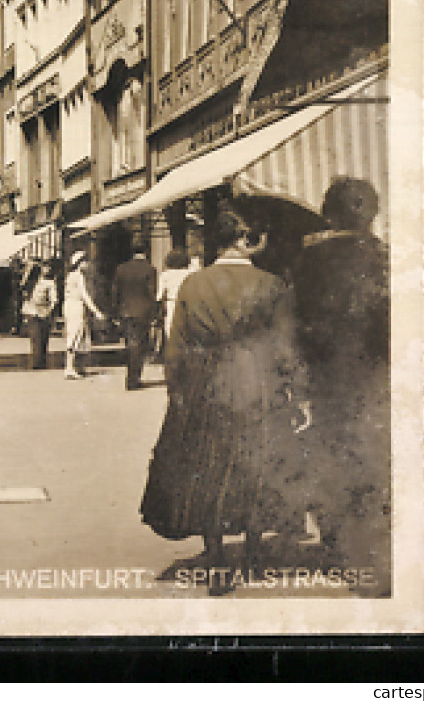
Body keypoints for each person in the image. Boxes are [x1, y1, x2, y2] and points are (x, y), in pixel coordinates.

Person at [139, 207, 312, 594]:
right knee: (256, 468)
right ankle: (252, 553)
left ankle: (216, 557)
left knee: (209, 467)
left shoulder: (193, 285)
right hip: (259, 387)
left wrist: (177, 392)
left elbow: (177, 347)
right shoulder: (272, 285)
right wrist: (298, 393)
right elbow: (285, 347)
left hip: (207, 386)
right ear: (250, 239)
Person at [291, 177, 391, 594]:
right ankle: (375, 550)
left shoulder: (308, 261)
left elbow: (295, 327)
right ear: (372, 214)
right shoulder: (386, 257)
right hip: (377, 378)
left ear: (329, 213)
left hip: (326, 380)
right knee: (375, 461)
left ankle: (335, 546)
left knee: (331, 458)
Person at [113, 239, 159, 391]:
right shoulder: (149, 269)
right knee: (140, 345)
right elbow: (152, 293)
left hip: (125, 312)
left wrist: (115, 311)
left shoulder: (121, 269)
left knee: (130, 344)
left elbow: (115, 292)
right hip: (143, 312)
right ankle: (134, 378)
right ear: (145, 252)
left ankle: (131, 377)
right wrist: (155, 313)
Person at [62, 251, 106, 380]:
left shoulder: (70, 276)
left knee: (75, 335)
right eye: (84, 261)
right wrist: (96, 311)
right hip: (76, 306)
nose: (87, 264)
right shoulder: (78, 276)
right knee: (75, 336)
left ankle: (75, 367)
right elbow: (84, 295)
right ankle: (70, 368)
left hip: (70, 306)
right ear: (79, 263)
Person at [155, 250, 193, 358]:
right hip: (188, 303)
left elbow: (159, 295)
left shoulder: (165, 275)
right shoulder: (191, 273)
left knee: (171, 333)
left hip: (172, 303)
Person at [21, 263, 58, 370]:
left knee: (43, 338)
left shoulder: (49, 283)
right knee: (35, 337)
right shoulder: (29, 283)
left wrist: (49, 310)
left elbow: (54, 300)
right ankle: (36, 362)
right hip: (32, 312)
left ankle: (42, 360)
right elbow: (23, 294)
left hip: (44, 312)